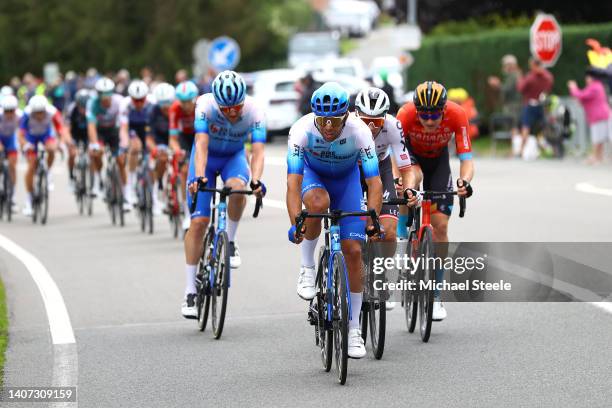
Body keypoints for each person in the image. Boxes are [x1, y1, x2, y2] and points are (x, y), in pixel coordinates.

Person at [286, 82, 383, 358]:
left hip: (347, 182)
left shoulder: (360, 131)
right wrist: (296, 223)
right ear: (315, 115)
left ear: (346, 117)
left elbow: (374, 183)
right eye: (323, 120)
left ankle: (353, 331)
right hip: (313, 176)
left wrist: (372, 220)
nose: (328, 126)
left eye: (335, 121)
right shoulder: (301, 130)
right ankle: (307, 267)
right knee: (317, 204)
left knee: (354, 251)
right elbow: (293, 185)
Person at [182, 70, 267, 318]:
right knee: (198, 222)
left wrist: (257, 180)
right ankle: (189, 290)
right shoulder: (204, 105)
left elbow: (259, 151)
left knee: (239, 189)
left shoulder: (254, 110)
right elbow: (201, 144)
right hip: (206, 159)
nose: (232, 113)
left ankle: (230, 240)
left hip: (233, 158)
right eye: (226, 108)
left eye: (236, 107)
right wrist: (199, 176)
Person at [396, 81, 474, 321]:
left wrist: (465, 182)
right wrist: (399, 180)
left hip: (439, 161)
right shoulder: (405, 114)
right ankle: (402, 238)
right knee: (410, 183)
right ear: (417, 110)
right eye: (424, 115)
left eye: (435, 115)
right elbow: (393, 151)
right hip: (411, 158)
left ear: (444, 109)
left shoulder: (457, 114)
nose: (429, 121)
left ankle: (436, 295)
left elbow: (466, 158)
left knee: (440, 226)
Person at [18, 95, 70, 215]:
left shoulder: (53, 112)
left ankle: (48, 171)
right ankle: (29, 200)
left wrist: (61, 144)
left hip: (46, 135)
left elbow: (61, 130)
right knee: (31, 166)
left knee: (52, 149)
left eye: (42, 112)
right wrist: (25, 145)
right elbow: (20, 135)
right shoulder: (26, 114)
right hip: (30, 137)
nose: (40, 115)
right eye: (37, 113)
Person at [86, 77, 127, 207]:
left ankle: (126, 194)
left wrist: (125, 141)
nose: (106, 101)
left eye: (108, 98)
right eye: (103, 99)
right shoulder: (92, 103)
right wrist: (94, 144)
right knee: (96, 153)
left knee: (120, 160)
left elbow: (124, 124)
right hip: (100, 133)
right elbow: (91, 126)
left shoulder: (119, 101)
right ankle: (99, 179)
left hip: (115, 132)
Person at [119, 80, 154, 207]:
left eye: (141, 100)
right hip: (132, 128)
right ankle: (130, 187)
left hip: (148, 128)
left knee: (151, 157)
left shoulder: (152, 102)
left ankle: (154, 196)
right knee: (135, 147)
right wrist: (124, 145)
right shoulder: (125, 104)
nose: (139, 103)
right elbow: (123, 128)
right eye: (136, 100)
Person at [169, 81, 198, 230]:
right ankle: (187, 212)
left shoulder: (201, 105)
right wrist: (177, 150)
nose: (186, 106)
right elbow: (173, 138)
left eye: (188, 102)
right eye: (183, 102)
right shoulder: (175, 108)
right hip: (183, 138)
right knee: (185, 171)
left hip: (199, 135)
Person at [568, 68, 611, 164]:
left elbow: (580, 95)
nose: (586, 79)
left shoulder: (594, 86)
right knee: (600, 137)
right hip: (601, 115)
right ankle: (598, 157)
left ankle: (595, 157)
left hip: (598, 115)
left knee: (597, 138)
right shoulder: (598, 86)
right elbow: (585, 99)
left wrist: (573, 87)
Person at [147, 82, 176, 213]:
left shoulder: (176, 109)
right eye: (162, 104)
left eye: (168, 103)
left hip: (175, 140)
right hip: (160, 142)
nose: (165, 107)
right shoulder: (153, 111)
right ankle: (158, 187)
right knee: (162, 159)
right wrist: (155, 149)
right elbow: (149, 138)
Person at [517, 57, 554, 157]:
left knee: (526, 127)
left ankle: (521, 150)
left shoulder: (530, 77)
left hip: (530, 105)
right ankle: (548, 149)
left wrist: (520, 79)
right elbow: (550, 86)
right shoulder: (547, 76)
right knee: (543, 127)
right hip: (542, 104)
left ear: (533, 65)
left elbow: (521, 88)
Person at [488, 54, 522, 139]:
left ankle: (515, 148)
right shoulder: (513, 75)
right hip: (513, 105)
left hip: (513, 105)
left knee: (513, 126)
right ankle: (514, 147)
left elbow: (507, 89)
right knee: (513, 126)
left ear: (511, 65)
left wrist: (497, 84)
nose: (504, 67)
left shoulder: (514, 75)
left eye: (506, 65)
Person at [66, 89, 91, 189]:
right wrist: (69, 140)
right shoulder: (71, 109)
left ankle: (94, 180)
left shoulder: (92, 109)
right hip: (74, 134)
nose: (83, 109)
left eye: (85, 106)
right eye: (81, 106)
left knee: (92, 154)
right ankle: (71, 176)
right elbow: (66, 128)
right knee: (72, 154)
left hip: (87, 134)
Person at [0, 95, 21, 207]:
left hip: (11, 139)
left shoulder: (20, 116)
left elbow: (24, 131)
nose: (9, 113)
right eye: (6, 111)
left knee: (12, 165)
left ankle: (12, 194)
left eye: (11, 111)